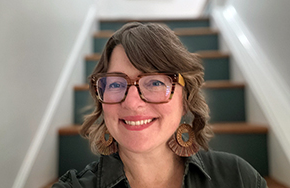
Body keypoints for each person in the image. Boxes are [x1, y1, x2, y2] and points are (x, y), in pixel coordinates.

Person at [52, 22, 267, 188]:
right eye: (116, 83)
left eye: (155, 82)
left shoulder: (238, 178)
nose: (132, 103)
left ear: (185, 100)